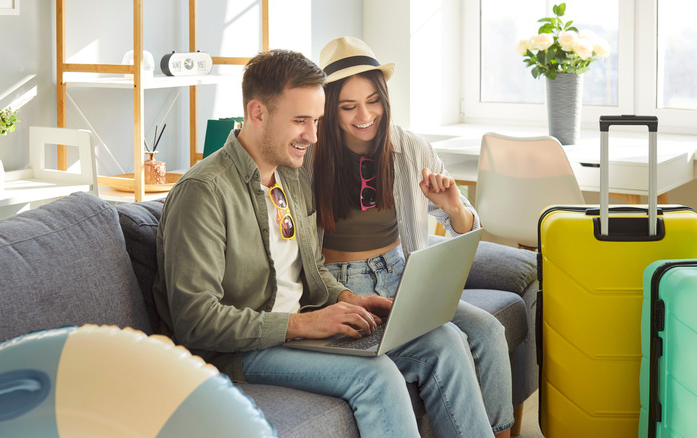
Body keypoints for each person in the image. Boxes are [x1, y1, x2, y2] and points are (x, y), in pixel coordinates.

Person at [152, 48, 498, 437]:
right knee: (377, 376)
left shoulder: (291, 177)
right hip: (242, 352)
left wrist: (345, 299)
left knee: (444, 342)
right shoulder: (204, 191)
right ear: (257, 113)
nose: (313, 136)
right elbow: (195, 321)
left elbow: (311, 270)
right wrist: (303, 323)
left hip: (299, 328)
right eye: (301, 121)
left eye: (316, 121)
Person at [308, 36, 515, 438]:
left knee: (489, 332)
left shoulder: (409, 147)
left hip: (403, 275)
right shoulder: (311, 157)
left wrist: (454, 207)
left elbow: (464, 222)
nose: (365, 115)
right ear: (329, 109)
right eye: (348, 106)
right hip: (344, 282)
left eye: (373, 100)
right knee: (446, 343)